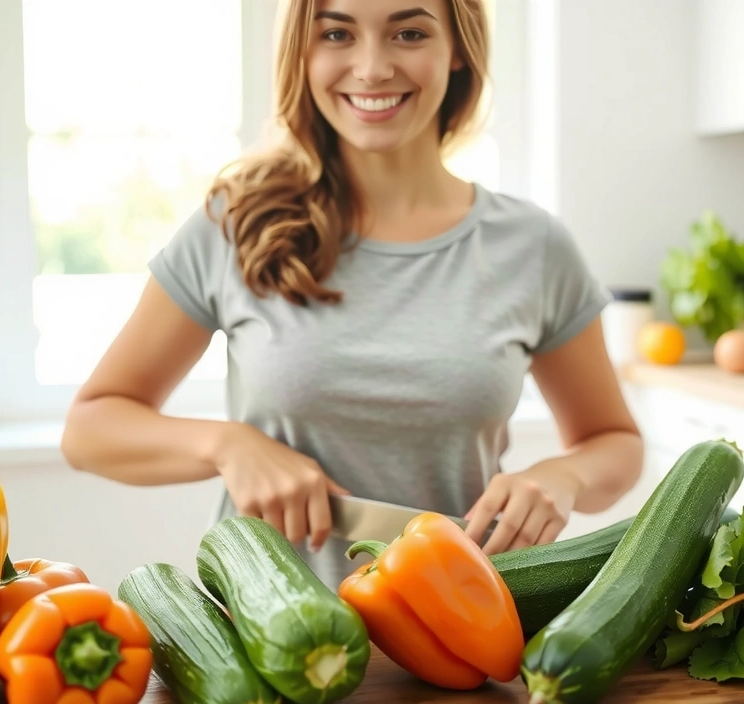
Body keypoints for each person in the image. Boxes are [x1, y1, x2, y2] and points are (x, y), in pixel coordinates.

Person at [60, 0, 644, 592]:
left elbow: (614, 443)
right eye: (337, 33)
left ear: (459, 48)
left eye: (409, 33)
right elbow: (91, 429)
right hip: (265, 639)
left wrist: (563, 476)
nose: (371, 68)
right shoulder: (235, 225)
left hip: (462, 627)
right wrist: (226, 445)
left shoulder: (533, 247)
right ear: (302, 52)